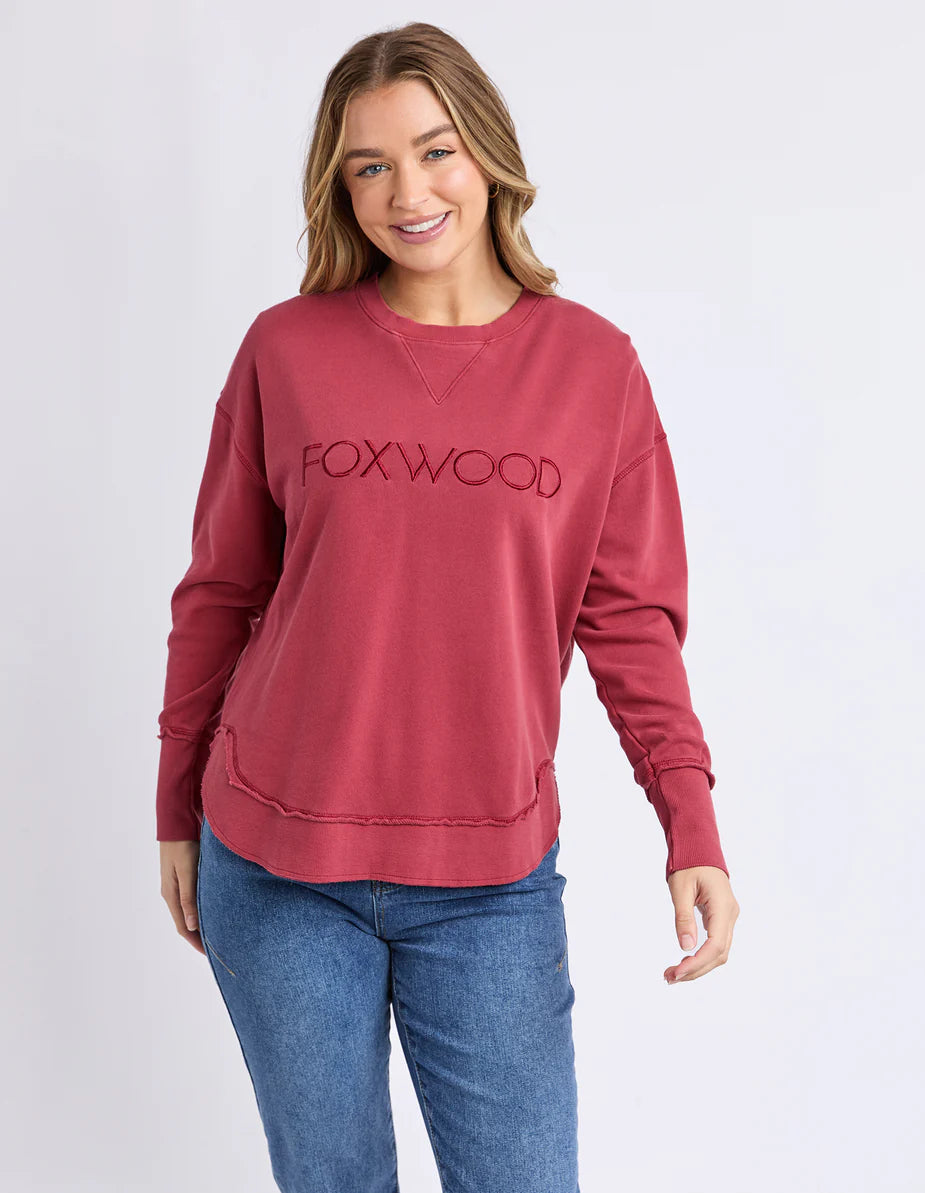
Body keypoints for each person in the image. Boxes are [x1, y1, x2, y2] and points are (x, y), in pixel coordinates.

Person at [156, 20, 740, 1193]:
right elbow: (221, 591)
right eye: (368, 166)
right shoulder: (286, 351)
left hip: (491, 880)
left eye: (434, 151)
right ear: (339, 186)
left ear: (488, 153)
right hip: (275, 862)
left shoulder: (594, 369)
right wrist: (176, 804)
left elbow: (630, 620)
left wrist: (690, 818)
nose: (407, 194)